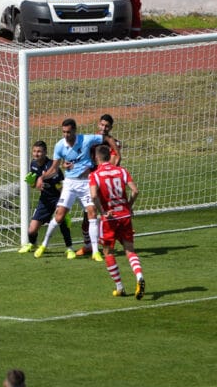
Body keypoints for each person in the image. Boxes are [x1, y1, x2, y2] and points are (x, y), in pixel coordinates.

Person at [33, 118, 111, 261]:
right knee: (60, 216)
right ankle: (44, 245)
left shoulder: (86, 139)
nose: (66, 135)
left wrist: (116, 152)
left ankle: (95, 252)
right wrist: (41, 178)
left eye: (68, 132)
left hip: (86, 182)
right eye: (64, 132)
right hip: (69, 184)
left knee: (92, 213)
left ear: (74, 130)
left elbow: (105, 137)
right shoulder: (59, 146)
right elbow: (54, 169)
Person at [89, 144, 145, 299]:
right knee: (130, 250)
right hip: (125, 215)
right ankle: (139, 276)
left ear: (97, 157)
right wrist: (129, 206)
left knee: (107, 252)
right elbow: (135, 191)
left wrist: (103, 212)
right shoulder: (122, 171)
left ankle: (120, 287)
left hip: (110, 218)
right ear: (109, 156)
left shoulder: (95, 175)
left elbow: (93, 196)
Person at [18, 141, 75, 258]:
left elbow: (61, 187)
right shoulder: (33, 164)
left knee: (62, 221)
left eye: (39, 151)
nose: (36, 154)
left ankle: (69, 248)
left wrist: (63, 206)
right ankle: (33, 244)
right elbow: (35, 186)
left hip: (57, 198)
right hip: (44, 200)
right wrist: (32, 183)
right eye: (34, 151)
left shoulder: (52, 168)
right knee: (32, 230)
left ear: (45, 152)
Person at [77, 114, 123, 258]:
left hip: (105, 184)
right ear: (98, 124)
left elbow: (116, 160)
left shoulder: (114, 143)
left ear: (111, 127)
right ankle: (89, 245)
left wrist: (104, 175)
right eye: (102, 125)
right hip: (90, 182)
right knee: (88, 216)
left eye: (107, 126)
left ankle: (108, 244)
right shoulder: (91, 140)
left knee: (107, 216)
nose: (104, 128)